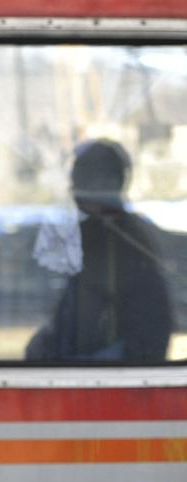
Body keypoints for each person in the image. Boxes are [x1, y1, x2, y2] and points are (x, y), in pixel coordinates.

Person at [26, 138, 172, 362]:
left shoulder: (130, 242)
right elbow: (68, 318)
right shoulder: (87, 235)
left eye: (80, 185)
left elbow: (148, 339)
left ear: (104, 186)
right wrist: (41, 347)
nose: (74, 194)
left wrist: (82, 366)